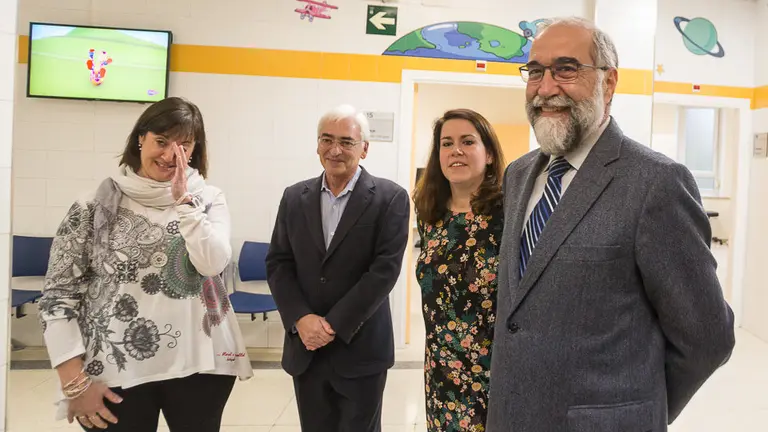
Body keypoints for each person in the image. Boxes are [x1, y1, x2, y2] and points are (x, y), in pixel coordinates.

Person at [486, 17, 735, 432]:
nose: (545, 88)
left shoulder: (655, 183)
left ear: (609, 82)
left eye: (566, 69)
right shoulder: (518, 174)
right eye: (534, 71)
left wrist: (636, 408)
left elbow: (707, 337)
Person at [38, 97, 253, 431]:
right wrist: (73, 381)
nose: (169, 155)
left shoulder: (207, 199)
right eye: (161, 142)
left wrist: (184, 201)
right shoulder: (92, 206)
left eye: (183, 146)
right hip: (114, 369)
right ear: (141, 138)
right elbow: (57, 295)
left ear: (194, 150)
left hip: (200, 367)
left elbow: (212, 263)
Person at [265, 104, 410, 432]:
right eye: (327, 140)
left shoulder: (390, 198)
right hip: (306, 349)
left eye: (346, 141)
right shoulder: (293, 197)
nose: (335, 149)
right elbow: (278, 263)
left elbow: (384, 271)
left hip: (360, 349)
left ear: (365, 148)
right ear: (317, 145)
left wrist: (331, 326)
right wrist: (301, 319)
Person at [413, 109, 505, 432]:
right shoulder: (429, 215)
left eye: (468, 141)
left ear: (489, 153)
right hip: (440, 376)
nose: (456, 151)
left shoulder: (507, 216)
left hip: (493, 376)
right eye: (447, 143)